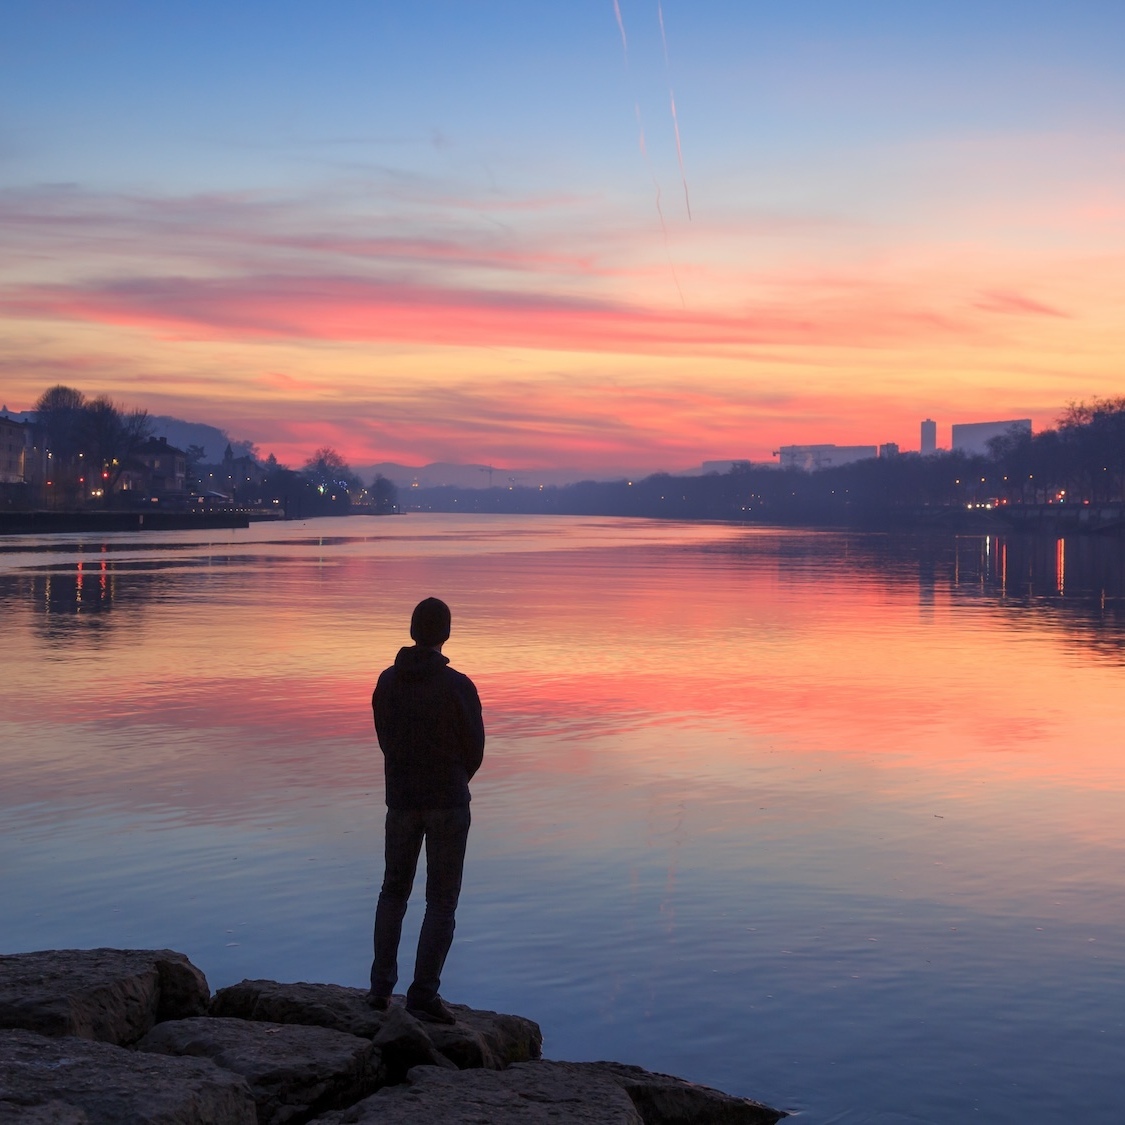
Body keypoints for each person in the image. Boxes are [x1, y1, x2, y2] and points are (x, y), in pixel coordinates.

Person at [368, 597, 485, 1024]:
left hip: (401, 801)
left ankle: (381, 989)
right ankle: (423, 993)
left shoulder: (387, 681)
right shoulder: (458, 686)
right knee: (441, 902)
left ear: (413, 629)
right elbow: (475, 750)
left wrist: (405, 775)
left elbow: (385, 738)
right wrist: (453, 779)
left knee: (392, 893)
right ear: (446, 634)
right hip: (448, 804)